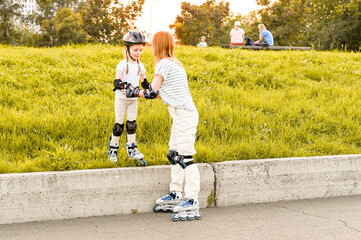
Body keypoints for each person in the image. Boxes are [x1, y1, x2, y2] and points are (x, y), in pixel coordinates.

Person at [126, 31, 202, 221]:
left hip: (184, 115)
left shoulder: (163, 63)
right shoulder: (174, 63)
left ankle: (192, 199)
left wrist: (132, 92)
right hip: (180, 115)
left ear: (157, 46)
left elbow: (152, 92)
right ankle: (176, 193)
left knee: (186, 158)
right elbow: (161, 91)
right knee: (173, 154)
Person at [107, 30, 148, 165]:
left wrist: (152, 91)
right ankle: (113, 148)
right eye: (136, 50)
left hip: (133, 100)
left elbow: (145, 83)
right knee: (119, 125)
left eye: (141, 50)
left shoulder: (140, 66)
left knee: (132, 125)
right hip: (121, 99)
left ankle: (132, 149)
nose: (138, 53)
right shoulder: (122, 64)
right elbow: (116, 82)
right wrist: (125, 86)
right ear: (127, 49)